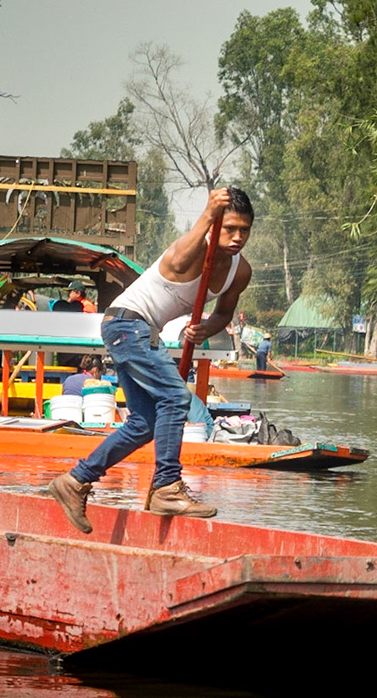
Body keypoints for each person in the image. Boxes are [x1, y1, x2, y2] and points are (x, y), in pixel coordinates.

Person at [47, 187, 254, 528]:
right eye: (229, 228)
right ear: (215, 223)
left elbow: (224, 314)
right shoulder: (191, 249)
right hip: (128, 323)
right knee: (174, 398)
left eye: (243, 231)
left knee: (144, 424)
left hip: (137, 330)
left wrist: (205, 328)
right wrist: (207, 214)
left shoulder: (239, 271)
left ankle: (74, 481)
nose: (236, 238)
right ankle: (167, 488)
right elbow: (176, 262)